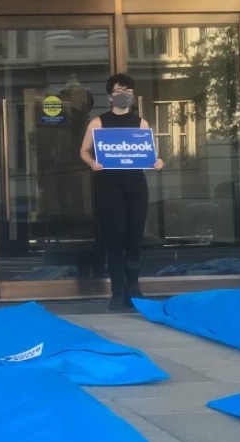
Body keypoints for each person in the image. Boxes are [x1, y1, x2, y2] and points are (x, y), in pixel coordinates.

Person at [80, 73, 164, 310]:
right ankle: (117, 291)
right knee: (115, 238)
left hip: (136, 186)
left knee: (134, 237)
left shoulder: (141, 123)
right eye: (118, 91)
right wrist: (92, 163)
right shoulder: (98, 123)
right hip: (109, 187)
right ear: (109, 96)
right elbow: (84, 150)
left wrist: (157, 162)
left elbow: (149, 156)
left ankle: (133, 289)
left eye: (127, 91)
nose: (123, 95)